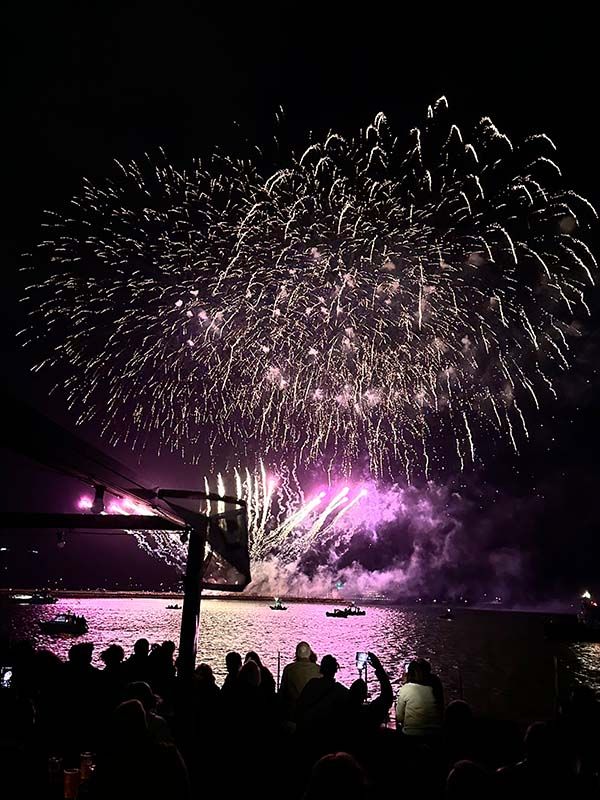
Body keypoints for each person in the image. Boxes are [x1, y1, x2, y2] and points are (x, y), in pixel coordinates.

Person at [396, 659, 442, 736]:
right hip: (434, 733)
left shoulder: (406, 688)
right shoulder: (434, 687)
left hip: (412, 734)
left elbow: (399, 717)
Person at [279, 641, 321, 722]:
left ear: (296, 654)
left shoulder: (288, 669)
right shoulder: (318, 669)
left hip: (293, 714)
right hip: (313, 715)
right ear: (310, 653)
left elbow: (282, 693)